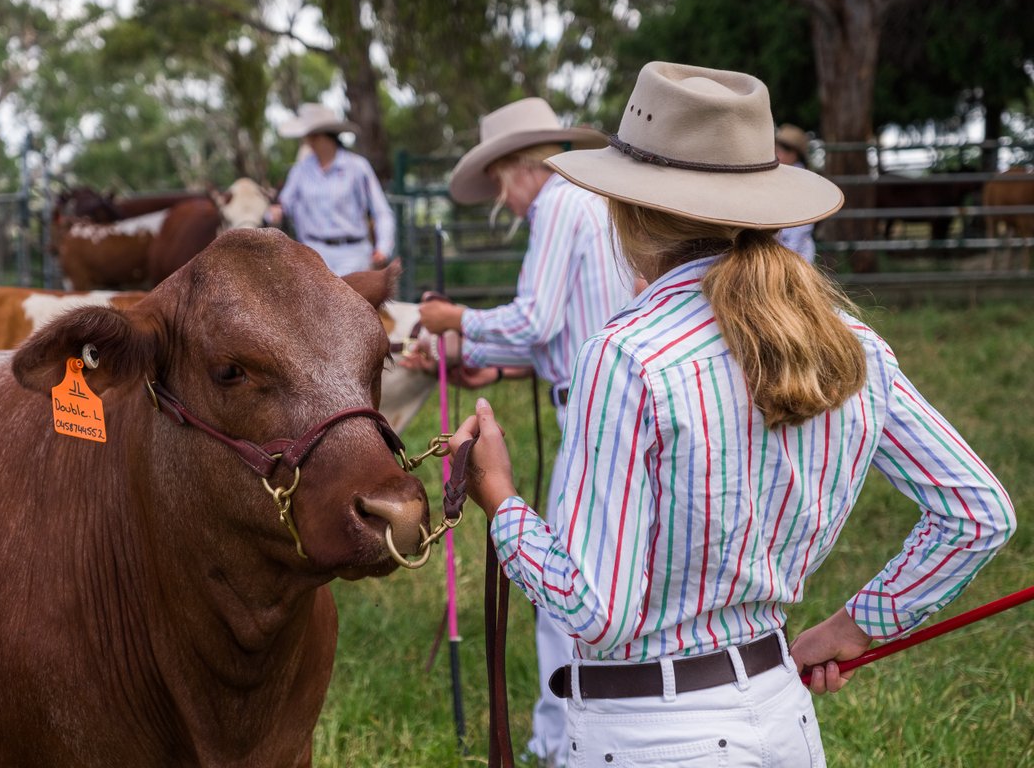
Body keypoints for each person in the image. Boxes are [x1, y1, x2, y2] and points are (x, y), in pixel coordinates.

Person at [447, 62, 1014, 767]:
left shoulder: (627, 357)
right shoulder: (851, 343)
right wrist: (859, 624)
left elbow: (595, 611)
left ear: (629, 210)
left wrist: (498, 496)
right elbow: (978, 513)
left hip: (649, 736)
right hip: (782, 718)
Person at [405, 96, 640, 767]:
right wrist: (493, 366)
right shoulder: (589, 199)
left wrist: (457, 320)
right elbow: (559, 333)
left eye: (499, 190)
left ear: (515, 168)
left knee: (559, 582)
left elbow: (536, 321)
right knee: (601, 576)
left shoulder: (557, 203)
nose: (503, 205)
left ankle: (557, 742)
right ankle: (584, 729)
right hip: (605, 404)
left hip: (593, 418)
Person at [268, 103, 395, 275]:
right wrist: (274, 213)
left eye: (310, 136)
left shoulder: (357, 167)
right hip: (312, 255)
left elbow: (381, 211)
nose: (307, 141)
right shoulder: (300, 171)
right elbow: (284, 205)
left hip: (353, 256)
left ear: (321, 137)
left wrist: (383, 247)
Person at [774, 123, 818, 262]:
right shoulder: (781, 178)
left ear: (793, 154)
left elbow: (802, 226)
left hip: (794, 251)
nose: (775, 155)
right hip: (786, 249)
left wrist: (786, 255)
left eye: (779, 151)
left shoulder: (801, 182)